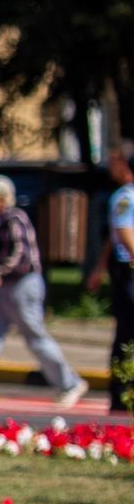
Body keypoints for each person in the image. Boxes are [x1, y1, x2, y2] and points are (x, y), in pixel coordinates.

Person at [0, 175, 86, 410]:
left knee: (34, 337)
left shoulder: (15, 218)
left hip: (22, 286)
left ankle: (70, 384)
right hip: (3, 291)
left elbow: (21, 255)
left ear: (0, 199)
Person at [108, 141, 134, 413]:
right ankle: (120, 394)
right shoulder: (126, 196)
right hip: (128, 272)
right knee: (127, 334)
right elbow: (124, 231)